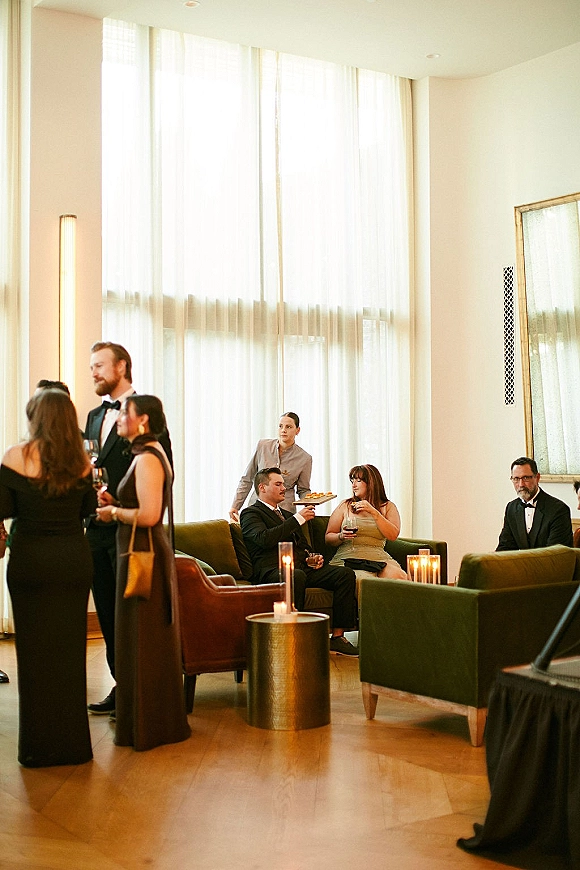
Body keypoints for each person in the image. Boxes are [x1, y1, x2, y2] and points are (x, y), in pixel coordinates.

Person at [0, 389, 96, 766]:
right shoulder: (82, 463)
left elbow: (4, 511)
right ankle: (73, 747)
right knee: (71, 653)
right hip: (73, 560)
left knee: (35, 654)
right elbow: (87, 511)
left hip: (30, 563)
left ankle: (37, 748)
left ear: (36, 417)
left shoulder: (15, 456)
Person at [96, 395, 190, 750]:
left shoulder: (149, 458)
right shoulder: (143, 455)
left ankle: (152, 726)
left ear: (143, 421)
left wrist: (113, 514)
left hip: (144, 557)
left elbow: (150, 516)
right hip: (138, 553)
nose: (119, 418)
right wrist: (116, 503)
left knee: (144, 640)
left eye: (125, 413)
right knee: (137, 639)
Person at [84, 341, 172, 716]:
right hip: (97, 528)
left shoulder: (146, 414)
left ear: (122, 367)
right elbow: (90, 465)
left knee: (131, 615)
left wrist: (120, 508)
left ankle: (139, 689)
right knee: (107, 612)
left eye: (100, 365)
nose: (94, 373)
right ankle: (122, 685)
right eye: (91, 367)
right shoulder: (92, 416)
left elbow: (161, 477)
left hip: (132, 534)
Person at [240, 467, 359, 655]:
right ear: (262, 487)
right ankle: (295, 639)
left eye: (284, 484)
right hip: (272, 569)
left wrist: (312, 557)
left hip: (300, 568)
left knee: (344, 574)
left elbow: (303, 547)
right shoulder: (250, 513)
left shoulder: (287, 515)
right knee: (296, 576)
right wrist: (297, 519)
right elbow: (263, 539)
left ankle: (338, 637)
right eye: (278, 484)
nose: (284, 488)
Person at [325, 464, 407, 585]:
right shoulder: (345, 505)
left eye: (358, 480)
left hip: (379, 558)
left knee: (399, 577)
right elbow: (328, 537)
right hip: (350, 557)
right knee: (365, 581)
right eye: (352, 480)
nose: (353, 485)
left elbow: (393, 535)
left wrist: (374, 512)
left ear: (372, 483)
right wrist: (341, 536)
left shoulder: (388, 507)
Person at [229, 413, 312, 521]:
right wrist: (235, 505)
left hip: (284, 513)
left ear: (298, 430)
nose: (283, 430)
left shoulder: (304, 458)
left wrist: (309, 504)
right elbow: (247, 478)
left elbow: (303, 489)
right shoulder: (263, 446)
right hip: (256, 508)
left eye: (288, 427)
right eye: (280, 426)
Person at [496, 456, 573, 551]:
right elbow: (505, 547)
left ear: (537, 478)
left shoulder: (558, 509)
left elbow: (555, 555)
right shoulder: (511, 508)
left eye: (526, 478)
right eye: (516, 479)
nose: (521, 484)